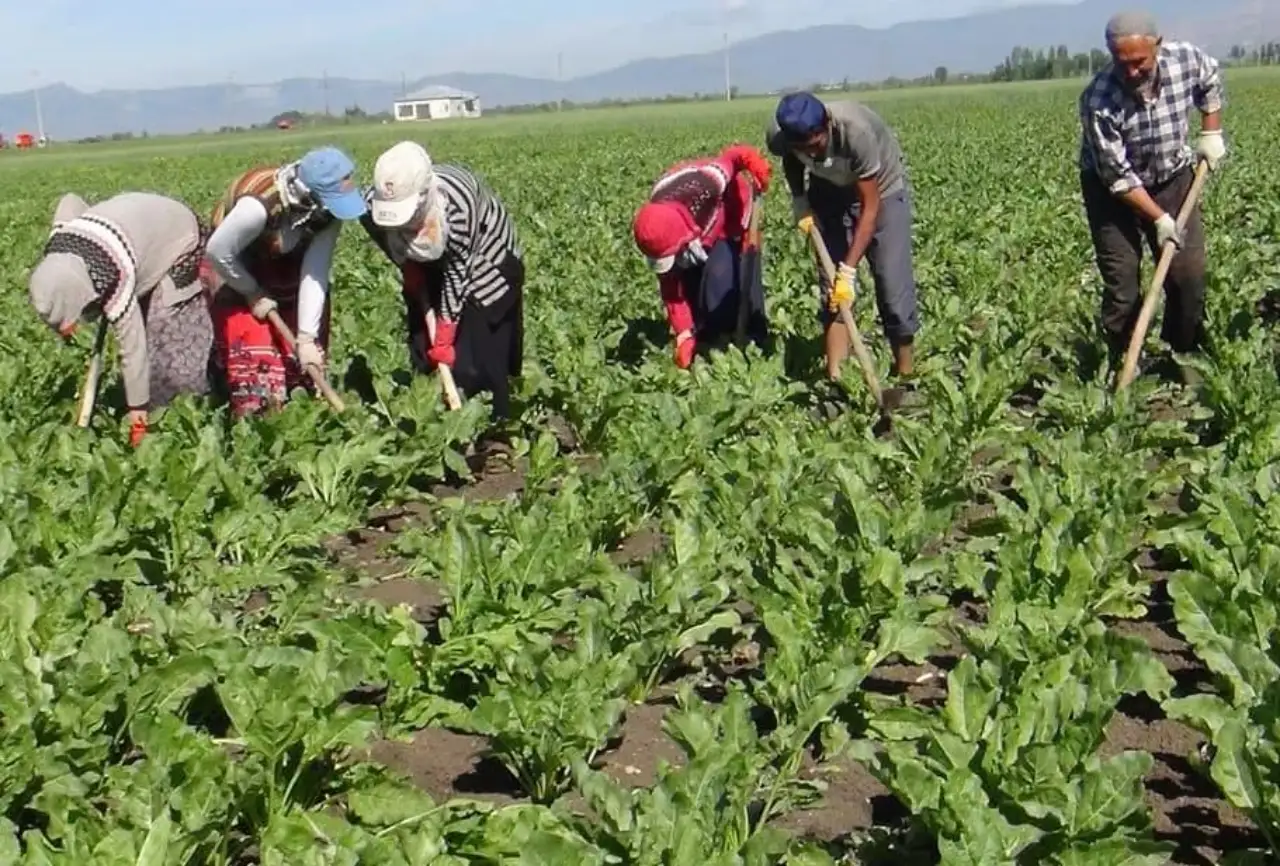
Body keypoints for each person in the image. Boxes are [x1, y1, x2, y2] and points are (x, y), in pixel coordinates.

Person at [1078, 11, 1226, 384]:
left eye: (1139, 62)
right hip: (1113, 192)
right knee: (1123, 284)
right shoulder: (1099, 99)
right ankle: (1121, 357)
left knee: (1187, 274)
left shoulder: (1186, 60)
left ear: (1157, 47)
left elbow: (1210, 82)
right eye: (1121, 63)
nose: (1130, 72)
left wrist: (1211, 132)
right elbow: (1117, 177)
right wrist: (1159, 219)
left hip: (1173, 176)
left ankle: (1181, 351)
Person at [28, 191, 214, 446]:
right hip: (138, 231)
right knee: (147, 330)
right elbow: (70, 200)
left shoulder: (115, 273)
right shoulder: (59, 246)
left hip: (178, 235)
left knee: (165, 337)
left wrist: (137, 412)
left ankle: (182, 416)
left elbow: (132, 348)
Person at [359, 140, 525, 424]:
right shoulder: (372, 205)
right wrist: (406, 266)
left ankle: (492, 434)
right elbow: (378, 230)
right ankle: (436, 423)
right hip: (427, 263)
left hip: (485, 263)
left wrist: (446, 334)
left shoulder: (456, 207)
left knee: (476, 354)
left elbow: (458, 274)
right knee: (424, 345)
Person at [766, 91, 921, 395]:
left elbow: (870, 206)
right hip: (828, 192)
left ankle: (906, 379)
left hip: (881, 192)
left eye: (817, 144)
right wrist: (800, 199)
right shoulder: (781, 137)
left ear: (826, 125)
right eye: (804, 148)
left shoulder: (855, 133)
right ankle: (837, 383)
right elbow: (791, 161)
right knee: (832, 293)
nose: (812, 153)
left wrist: (849, 270)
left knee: (892, 288)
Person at [202, 146, 365, 417]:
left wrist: (306, 338)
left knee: (301, 358)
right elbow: (218, 252)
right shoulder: (257, 207)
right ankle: (254, 425)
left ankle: (297, 417)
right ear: (309, 194)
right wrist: (252, 291)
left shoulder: (326, 213)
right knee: (254, 352)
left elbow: (316, 271)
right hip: (234, 264)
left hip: (287, 264)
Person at [630, 143, 772, 367]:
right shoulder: (658, 228)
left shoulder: (707, 185)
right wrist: (683, 334)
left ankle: (753, 340)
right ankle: (706, 340)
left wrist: (753, 162)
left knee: (725, 280)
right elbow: (671, 289)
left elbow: (733, 157)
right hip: (690, 227)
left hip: (730, 212)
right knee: (690, 283)